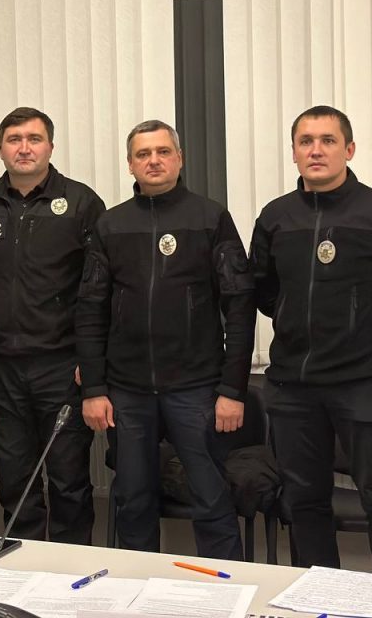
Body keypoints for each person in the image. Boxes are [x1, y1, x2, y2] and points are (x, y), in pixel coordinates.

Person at [250, 105, 372, 574]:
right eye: (306, 141)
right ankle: (321, 597)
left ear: (349, 150)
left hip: (365, 384)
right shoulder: (275, 217)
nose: (316, 150)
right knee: (304, 502)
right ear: (294, 152)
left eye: (328, 140)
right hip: (294, 388)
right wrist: (293, 320)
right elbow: (264, 290)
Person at [77, 119, 255, 560]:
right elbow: (90, 309)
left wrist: (232, 389)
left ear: (179, 159)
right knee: (132, 500)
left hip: (196, 388)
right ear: (130, 164)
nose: (153, 160)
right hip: (127, 391)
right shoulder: (111, 225)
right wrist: (94, 388)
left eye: (162, 152)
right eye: (143, 154)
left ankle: (226, 586)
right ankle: (137, 587)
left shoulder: (210, 218)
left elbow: (239, 304)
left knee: (211, 498)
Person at [0, 107, 105, 544]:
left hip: (62, 367)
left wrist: (90, 361)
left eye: (34, 139)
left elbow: (99, 291)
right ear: (1, 148)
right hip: (3, 368)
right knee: (14, 479)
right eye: (14, 139)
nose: (24, 148)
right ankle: (22, 567)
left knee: (68, 479)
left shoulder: (81, 203)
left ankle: (70, 567)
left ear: (51, 147)